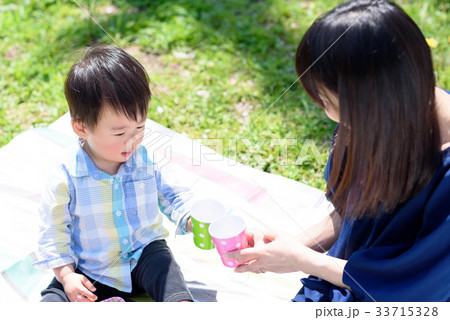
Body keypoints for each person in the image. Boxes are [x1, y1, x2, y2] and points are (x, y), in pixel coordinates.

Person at [225, 0, 450, 302]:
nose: (329, 114)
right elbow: (353, 216)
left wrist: (302, 259)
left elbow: (417, 286)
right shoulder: (379, 119)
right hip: (345, 279)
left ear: (374, 97)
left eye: (328, 102)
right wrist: (287, 248)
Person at [33, 45, 194, 302]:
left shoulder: (144, 161)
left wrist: (189, 217)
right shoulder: (65, 177)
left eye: (140, 127)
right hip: (91, 267)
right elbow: (53, 233)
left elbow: (172, 195)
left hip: (145, 255)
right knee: (54, 299)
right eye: (119, 133)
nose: (132, 141)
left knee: (168, 274)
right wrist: (67, 276)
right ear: (81, 127)